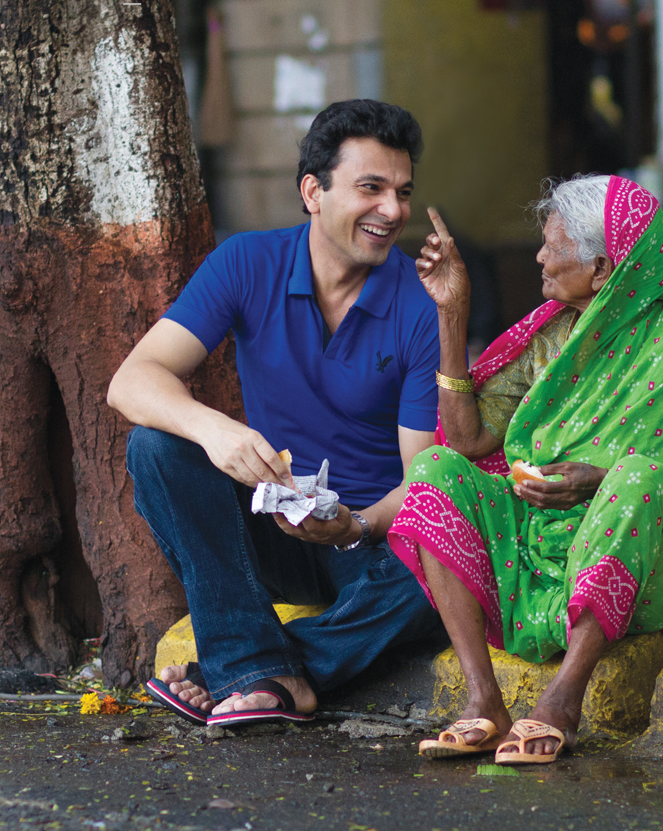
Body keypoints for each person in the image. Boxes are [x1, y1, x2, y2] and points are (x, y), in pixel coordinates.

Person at [107, 99, 444, 727]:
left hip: (368, 549)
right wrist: (216, 431)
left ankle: (243, 672)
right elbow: (132, 381)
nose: (393, 211)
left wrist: (356, 525)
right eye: (371, 188)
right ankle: (269, 672)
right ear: (313, 191)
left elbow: (424, 479)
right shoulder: (247, 263)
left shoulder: (423, 305)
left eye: (402, 192)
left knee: (445, 555)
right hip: (268, 535)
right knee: (156, 448)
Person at [390, 175, 663, 764]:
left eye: (553, 246)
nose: (538, 257)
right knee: (434, 468)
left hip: (643, 558)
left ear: (604, 270)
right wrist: (452, 312)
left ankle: (563, 700)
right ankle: (484, 699)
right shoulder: (551, 336)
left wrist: (602, 480)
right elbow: (469, 439)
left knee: (636, 475)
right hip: (543, 540)